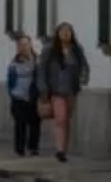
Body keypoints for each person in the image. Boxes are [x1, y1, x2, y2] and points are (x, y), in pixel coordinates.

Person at [38, 22, 89, 163]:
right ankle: (59, 151)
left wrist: (83, 78)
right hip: (56, 90)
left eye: (68, 32)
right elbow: (41, 69)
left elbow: (84, 66)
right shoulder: (50, 50)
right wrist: (43, 88)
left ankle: (63, 149)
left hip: (71, 90)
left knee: (66, 119)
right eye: (63, 31)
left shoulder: (76, 50)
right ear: (58, 34)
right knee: (60, 119)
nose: (66, 34)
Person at [3, 34, 41, 158]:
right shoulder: (13, 64)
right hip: (18, 97)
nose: (22, 47)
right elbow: (10, 80)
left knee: (35, 123)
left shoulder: (37, 61)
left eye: (25, 44)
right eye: (20, 45)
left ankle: (33, 148)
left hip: (34, 96)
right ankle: (19, 149)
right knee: (20, 123)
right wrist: (12, 92)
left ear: (30, 45)